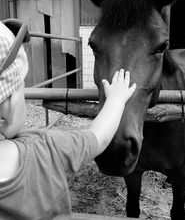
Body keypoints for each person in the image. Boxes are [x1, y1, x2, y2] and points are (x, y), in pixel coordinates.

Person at [0, 20, 136, 220]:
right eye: (21, 85)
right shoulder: (46, 150)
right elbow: (99, 137)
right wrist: (116, 98)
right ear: (10, 103)